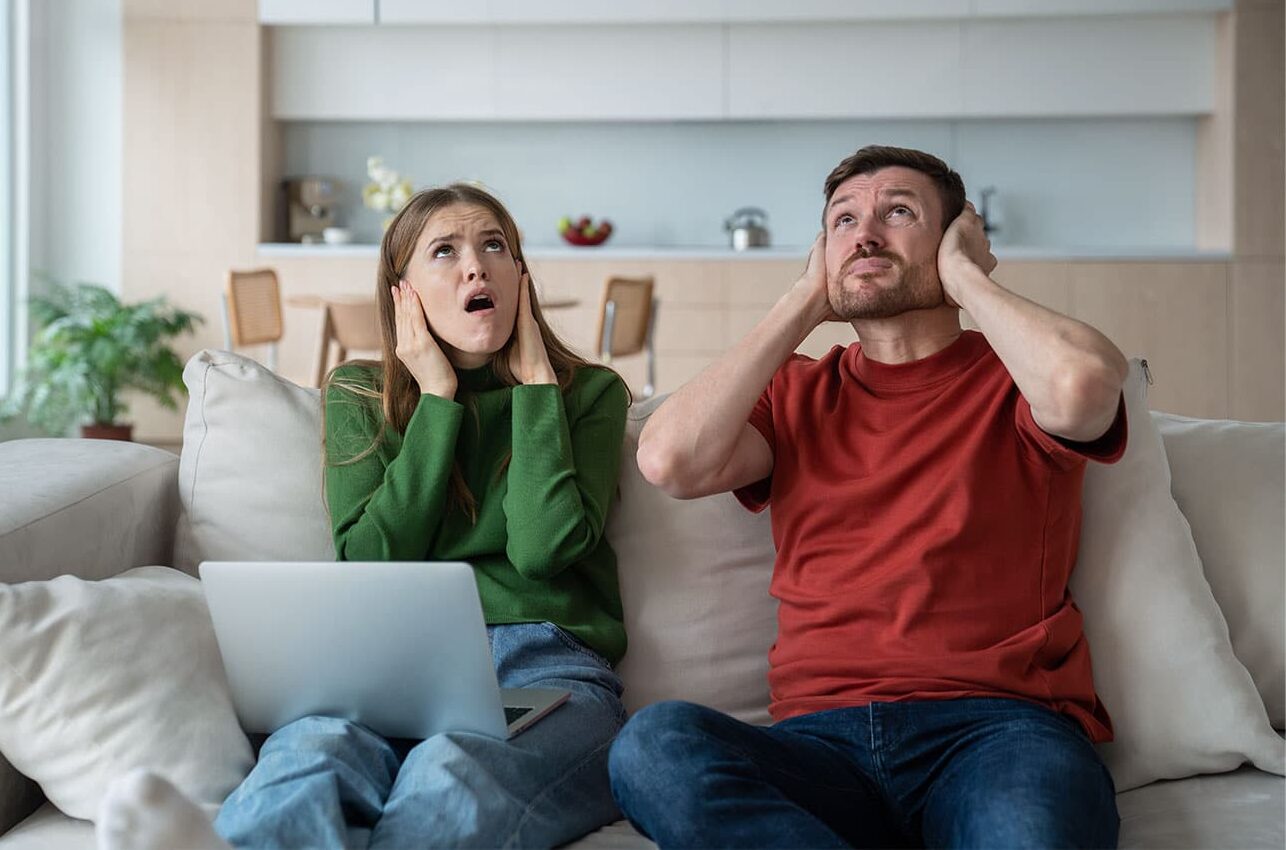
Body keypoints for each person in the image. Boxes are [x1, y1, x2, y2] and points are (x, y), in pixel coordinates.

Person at [607, 146, 1130, 849]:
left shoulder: (1017, 378)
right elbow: (669, 460)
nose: (866, 233)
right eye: (843, 220)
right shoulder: (796, 390)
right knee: (654, 745)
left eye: (899, 212)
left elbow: (1085, 390)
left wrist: (969, 279)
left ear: (955, 238)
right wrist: (801, 301)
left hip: (996, 732)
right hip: (820, 745)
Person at [97, 184, 631, 850]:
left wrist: (536, 390)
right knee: (312, 753)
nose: (477, 266)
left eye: (494, 245)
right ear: (402, 292)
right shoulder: (358, 392)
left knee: (454, 771)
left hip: (547, 667)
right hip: (389, 662)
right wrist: (437, 399)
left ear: (520, 276)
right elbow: (373, 561)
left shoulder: (589, 395)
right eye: (446, 250)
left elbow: (541, 551)